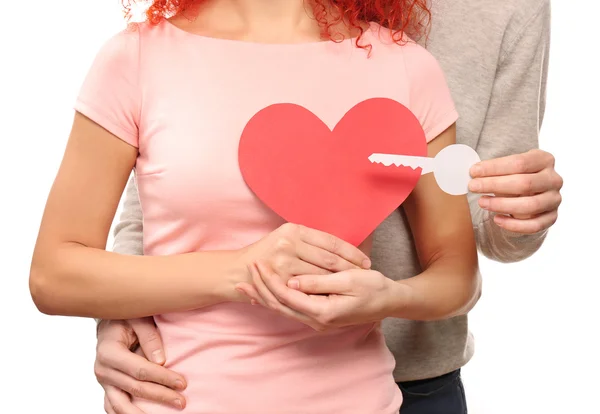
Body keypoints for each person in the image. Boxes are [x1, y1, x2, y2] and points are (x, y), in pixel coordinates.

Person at [92, 0, 563, 413]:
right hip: (202, 374)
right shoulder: (153, 53)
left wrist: (520, 213)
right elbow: (173, 182)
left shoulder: (480, 24)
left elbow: (484, 217)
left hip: (407, 376)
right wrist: (127, 307)